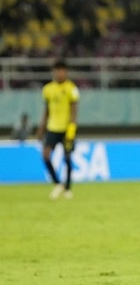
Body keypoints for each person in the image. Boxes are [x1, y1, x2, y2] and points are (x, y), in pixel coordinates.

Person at [36, 59, 79, 200]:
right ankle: (57, 183)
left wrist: (71, 130)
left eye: (62, 71)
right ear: (54, 72)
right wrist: (41, 127)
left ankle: (67, 188)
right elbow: (46, 110)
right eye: (57, 71)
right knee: (45, 155)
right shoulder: (48, 89)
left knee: (67, 158)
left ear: (66, 72)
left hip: (66, 129)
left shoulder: (71, 88)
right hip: (52, 128)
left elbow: (74, 111)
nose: (59, 74)